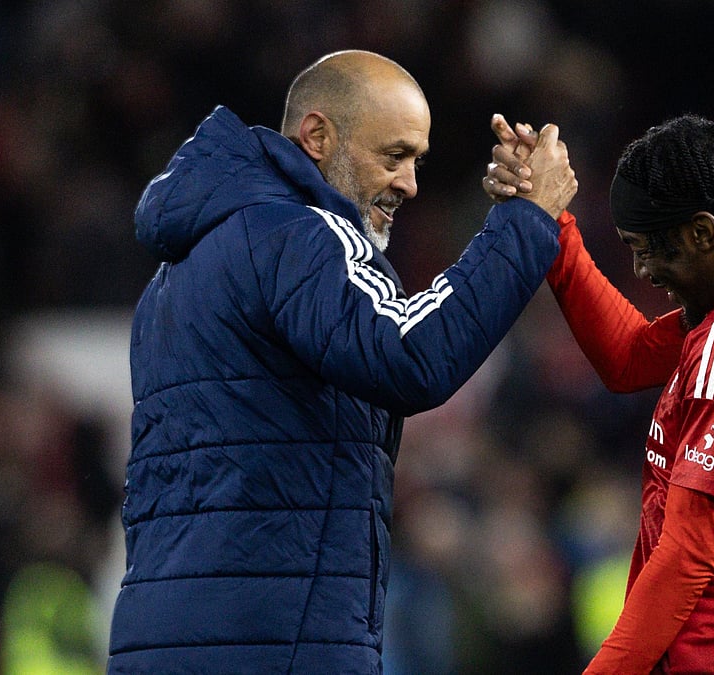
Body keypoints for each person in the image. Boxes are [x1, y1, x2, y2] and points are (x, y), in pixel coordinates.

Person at [107, 50, 576, 674]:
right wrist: (525, 221)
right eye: (394, 155)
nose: (409, 183)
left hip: (167, 635)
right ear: (318, 136)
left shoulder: (180, 271)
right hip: (274, 644)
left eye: (417, 160)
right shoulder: (298, 234)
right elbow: (411, 353)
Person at [486, 114, 714, 673]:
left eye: (647, 250)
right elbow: (630, 357)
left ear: (703, 231)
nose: (642, 270)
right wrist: (551, 221)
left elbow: (687, 558)